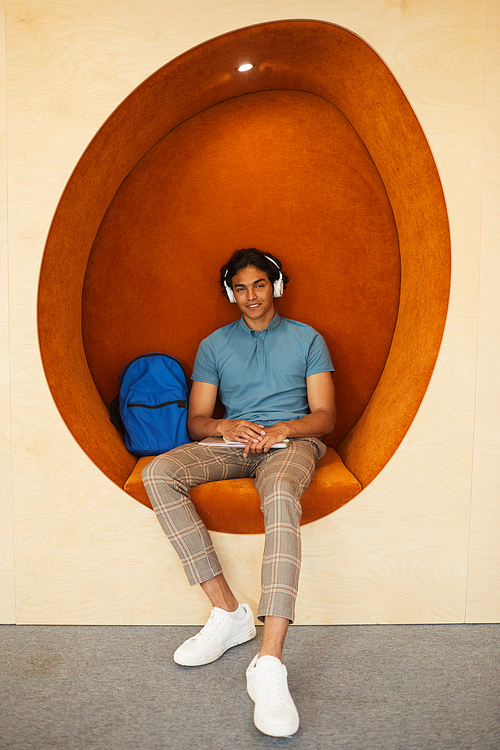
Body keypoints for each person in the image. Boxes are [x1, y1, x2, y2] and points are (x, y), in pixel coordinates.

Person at [142, 248, 335, 737]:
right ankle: (228, 611)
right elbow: (197, 420)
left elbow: (325, 417)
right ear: (231, 292)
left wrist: (283, 428)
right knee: (159, 472)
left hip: (292, 443)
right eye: (241, 288)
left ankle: (269, 662)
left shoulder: (308, 339)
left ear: (278, 287)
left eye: (260, 285)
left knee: (280, 497)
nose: (251, 297)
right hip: (235, 444)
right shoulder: (213, 345)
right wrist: (226, 425)